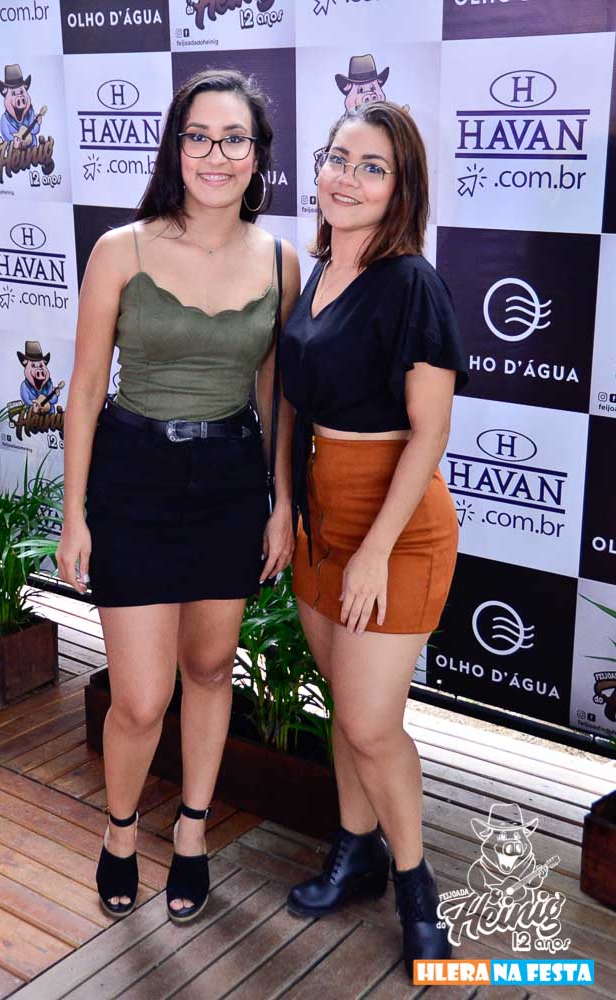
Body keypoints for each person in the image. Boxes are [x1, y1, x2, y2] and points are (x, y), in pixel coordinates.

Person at [57, 69, 299, 923]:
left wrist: (280, 502)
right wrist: (73, 513)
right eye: (199, 136)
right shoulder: (119, 250)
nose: (215, 154)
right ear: (175, 147)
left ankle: (192, 834)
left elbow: (276, 395)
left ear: (257, 156)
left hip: (229, 482)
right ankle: (121, 831)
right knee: (139, 697)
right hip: (133, 478)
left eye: (235, 138)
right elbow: (85, 389)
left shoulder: (282, 261)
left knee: (208, 668)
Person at [280, 101, 468, 978]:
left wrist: (374, 550)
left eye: (372, 167)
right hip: (322, 518)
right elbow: (292, 404)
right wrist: (288, 508)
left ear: (402, 189)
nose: (345, 178)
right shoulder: (318, 270)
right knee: (344, 706)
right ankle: (355, 851)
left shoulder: (411, 282)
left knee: (369, 722)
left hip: (396, 527)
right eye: (337, 158)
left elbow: (430, 434)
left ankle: (415, 886)